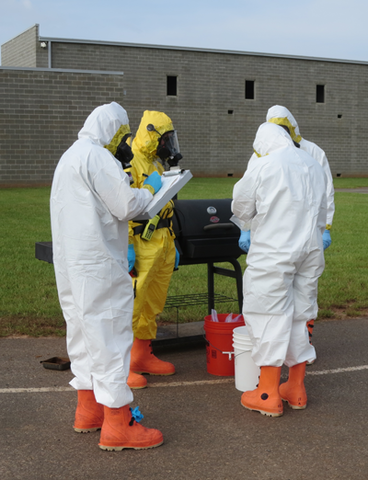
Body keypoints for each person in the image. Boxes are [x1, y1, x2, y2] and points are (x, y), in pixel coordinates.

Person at [50, 102, 164, 450]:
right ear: (114, 130)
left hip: (72, 265)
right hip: (98, 264)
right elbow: (126, 206)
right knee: (111, 337)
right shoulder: (98, 157)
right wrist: (153, 190)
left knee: (83, 333)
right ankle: (118, 423)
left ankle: (89, 410)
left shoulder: (70, 155)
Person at [232, 122, 327, 417]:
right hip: (309, 250)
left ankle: (267, 393)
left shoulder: (264, 165)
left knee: (268, 314)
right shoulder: (313, 163)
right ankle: (295, 388)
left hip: (274, 252)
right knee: (301, 314)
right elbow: (324, 209)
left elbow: (241, 209)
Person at [239, 105, 335, 352]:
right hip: (304, 241)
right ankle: (297, 369)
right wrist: (245, 229)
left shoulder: (311, 152)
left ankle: (270, 384)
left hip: (277, 242)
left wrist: (326, 227)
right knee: (301, 298)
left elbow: (243, 201)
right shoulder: (298, 158)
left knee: (271, 304)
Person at [126, 111, 183, 389]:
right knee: (132, 303)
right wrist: (125, 245)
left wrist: (174, 242)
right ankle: (122, 362)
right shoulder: (129, 162)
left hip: (163, 240)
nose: (169, 145)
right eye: (166, 139)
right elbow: (121, 207)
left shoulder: (156, 166)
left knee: (153, 302)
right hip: (141, 242)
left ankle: (141, 354)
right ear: (153, 136)